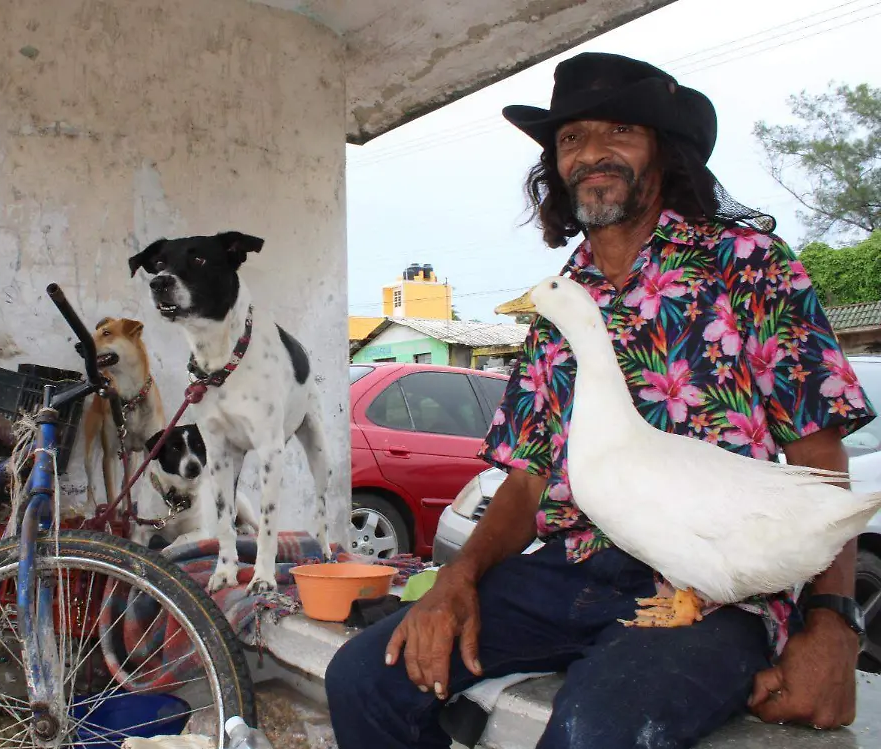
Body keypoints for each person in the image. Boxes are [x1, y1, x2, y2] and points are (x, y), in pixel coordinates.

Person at [326, 52, 876, 749]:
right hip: (569, 571)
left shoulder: (749, 264)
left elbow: (820, 458)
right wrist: (453, 578)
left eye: (619, 131)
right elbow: (525, 481)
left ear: (663, 150)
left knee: (597, 729)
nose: (591, 154)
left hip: (715, 591)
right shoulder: (560, 300)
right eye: (570, 139)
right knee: (363, 678)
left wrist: (832, 623)